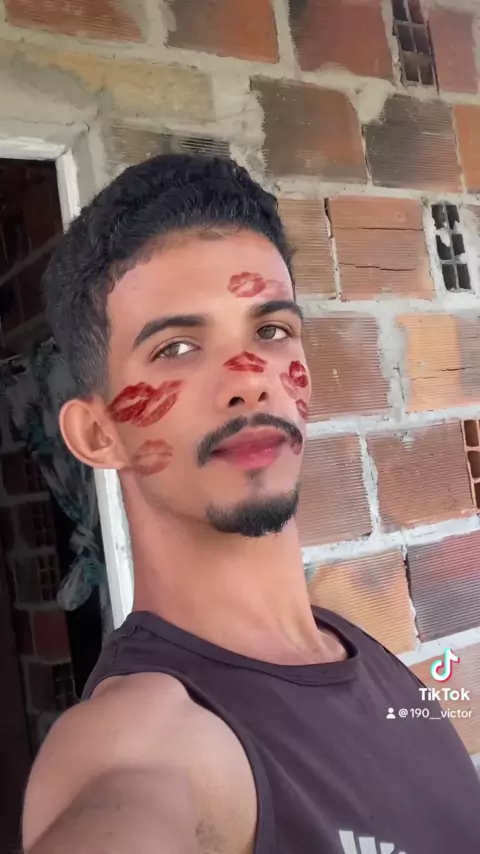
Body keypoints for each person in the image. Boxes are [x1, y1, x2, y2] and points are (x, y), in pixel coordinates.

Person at [22, 155, 480, 854]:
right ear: (96, 434)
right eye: (177, 347)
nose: (250, 379)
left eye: (271, 331)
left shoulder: (365, 653)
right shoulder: (149, 737)